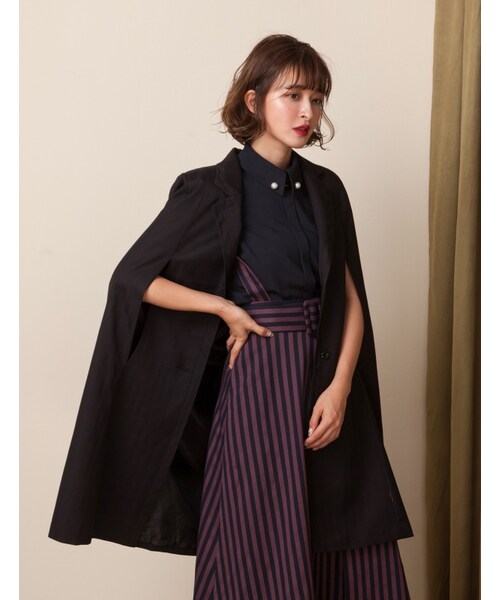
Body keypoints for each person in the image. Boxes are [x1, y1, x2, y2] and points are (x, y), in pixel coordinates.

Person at [49, 34, 413, 599]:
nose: (307, 111)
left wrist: (341, 388)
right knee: (254, 536)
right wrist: (222, 307)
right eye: (293, 95)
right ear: (253, 100)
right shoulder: (208, 189)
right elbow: (132, 279)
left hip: (326, 380)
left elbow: (350, 301)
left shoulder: (325, 189)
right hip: (257, 387)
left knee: (351, 528)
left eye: (317, 99)